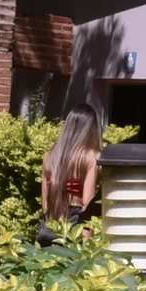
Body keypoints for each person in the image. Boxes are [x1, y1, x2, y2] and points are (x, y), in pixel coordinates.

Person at [39, 97, 104, 230]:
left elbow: (45, 203)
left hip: (49, 225)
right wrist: (86, 244)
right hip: (74, 227)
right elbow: (87, 204)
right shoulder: (92, 157)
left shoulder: (49, 156)